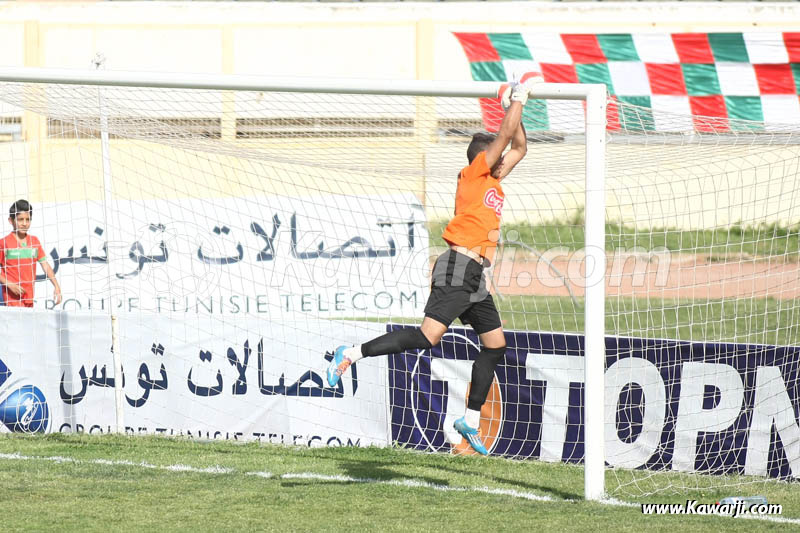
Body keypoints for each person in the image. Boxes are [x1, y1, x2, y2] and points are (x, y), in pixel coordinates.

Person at [327, 79, 535, 455]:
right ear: (482, 156)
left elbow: (519, 144)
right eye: (495, 152)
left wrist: (510, 102)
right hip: (457, 266)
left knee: (495, 346)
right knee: (427, 338)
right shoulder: (473, 173)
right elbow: (505, 136)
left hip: (475, 275)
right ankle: (351, 353)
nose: (502, 156)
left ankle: (467, 425)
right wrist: (516, 100)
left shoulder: (494, 179)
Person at [0, 199, 62, 308]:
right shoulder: (3, 243)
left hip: (29, 295)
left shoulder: (34, 241)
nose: (24, 223)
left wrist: (56, 286)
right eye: (20, 220)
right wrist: (9, 284)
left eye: (28, 219)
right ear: (11, 221)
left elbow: (45, 265)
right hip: (12, 296)